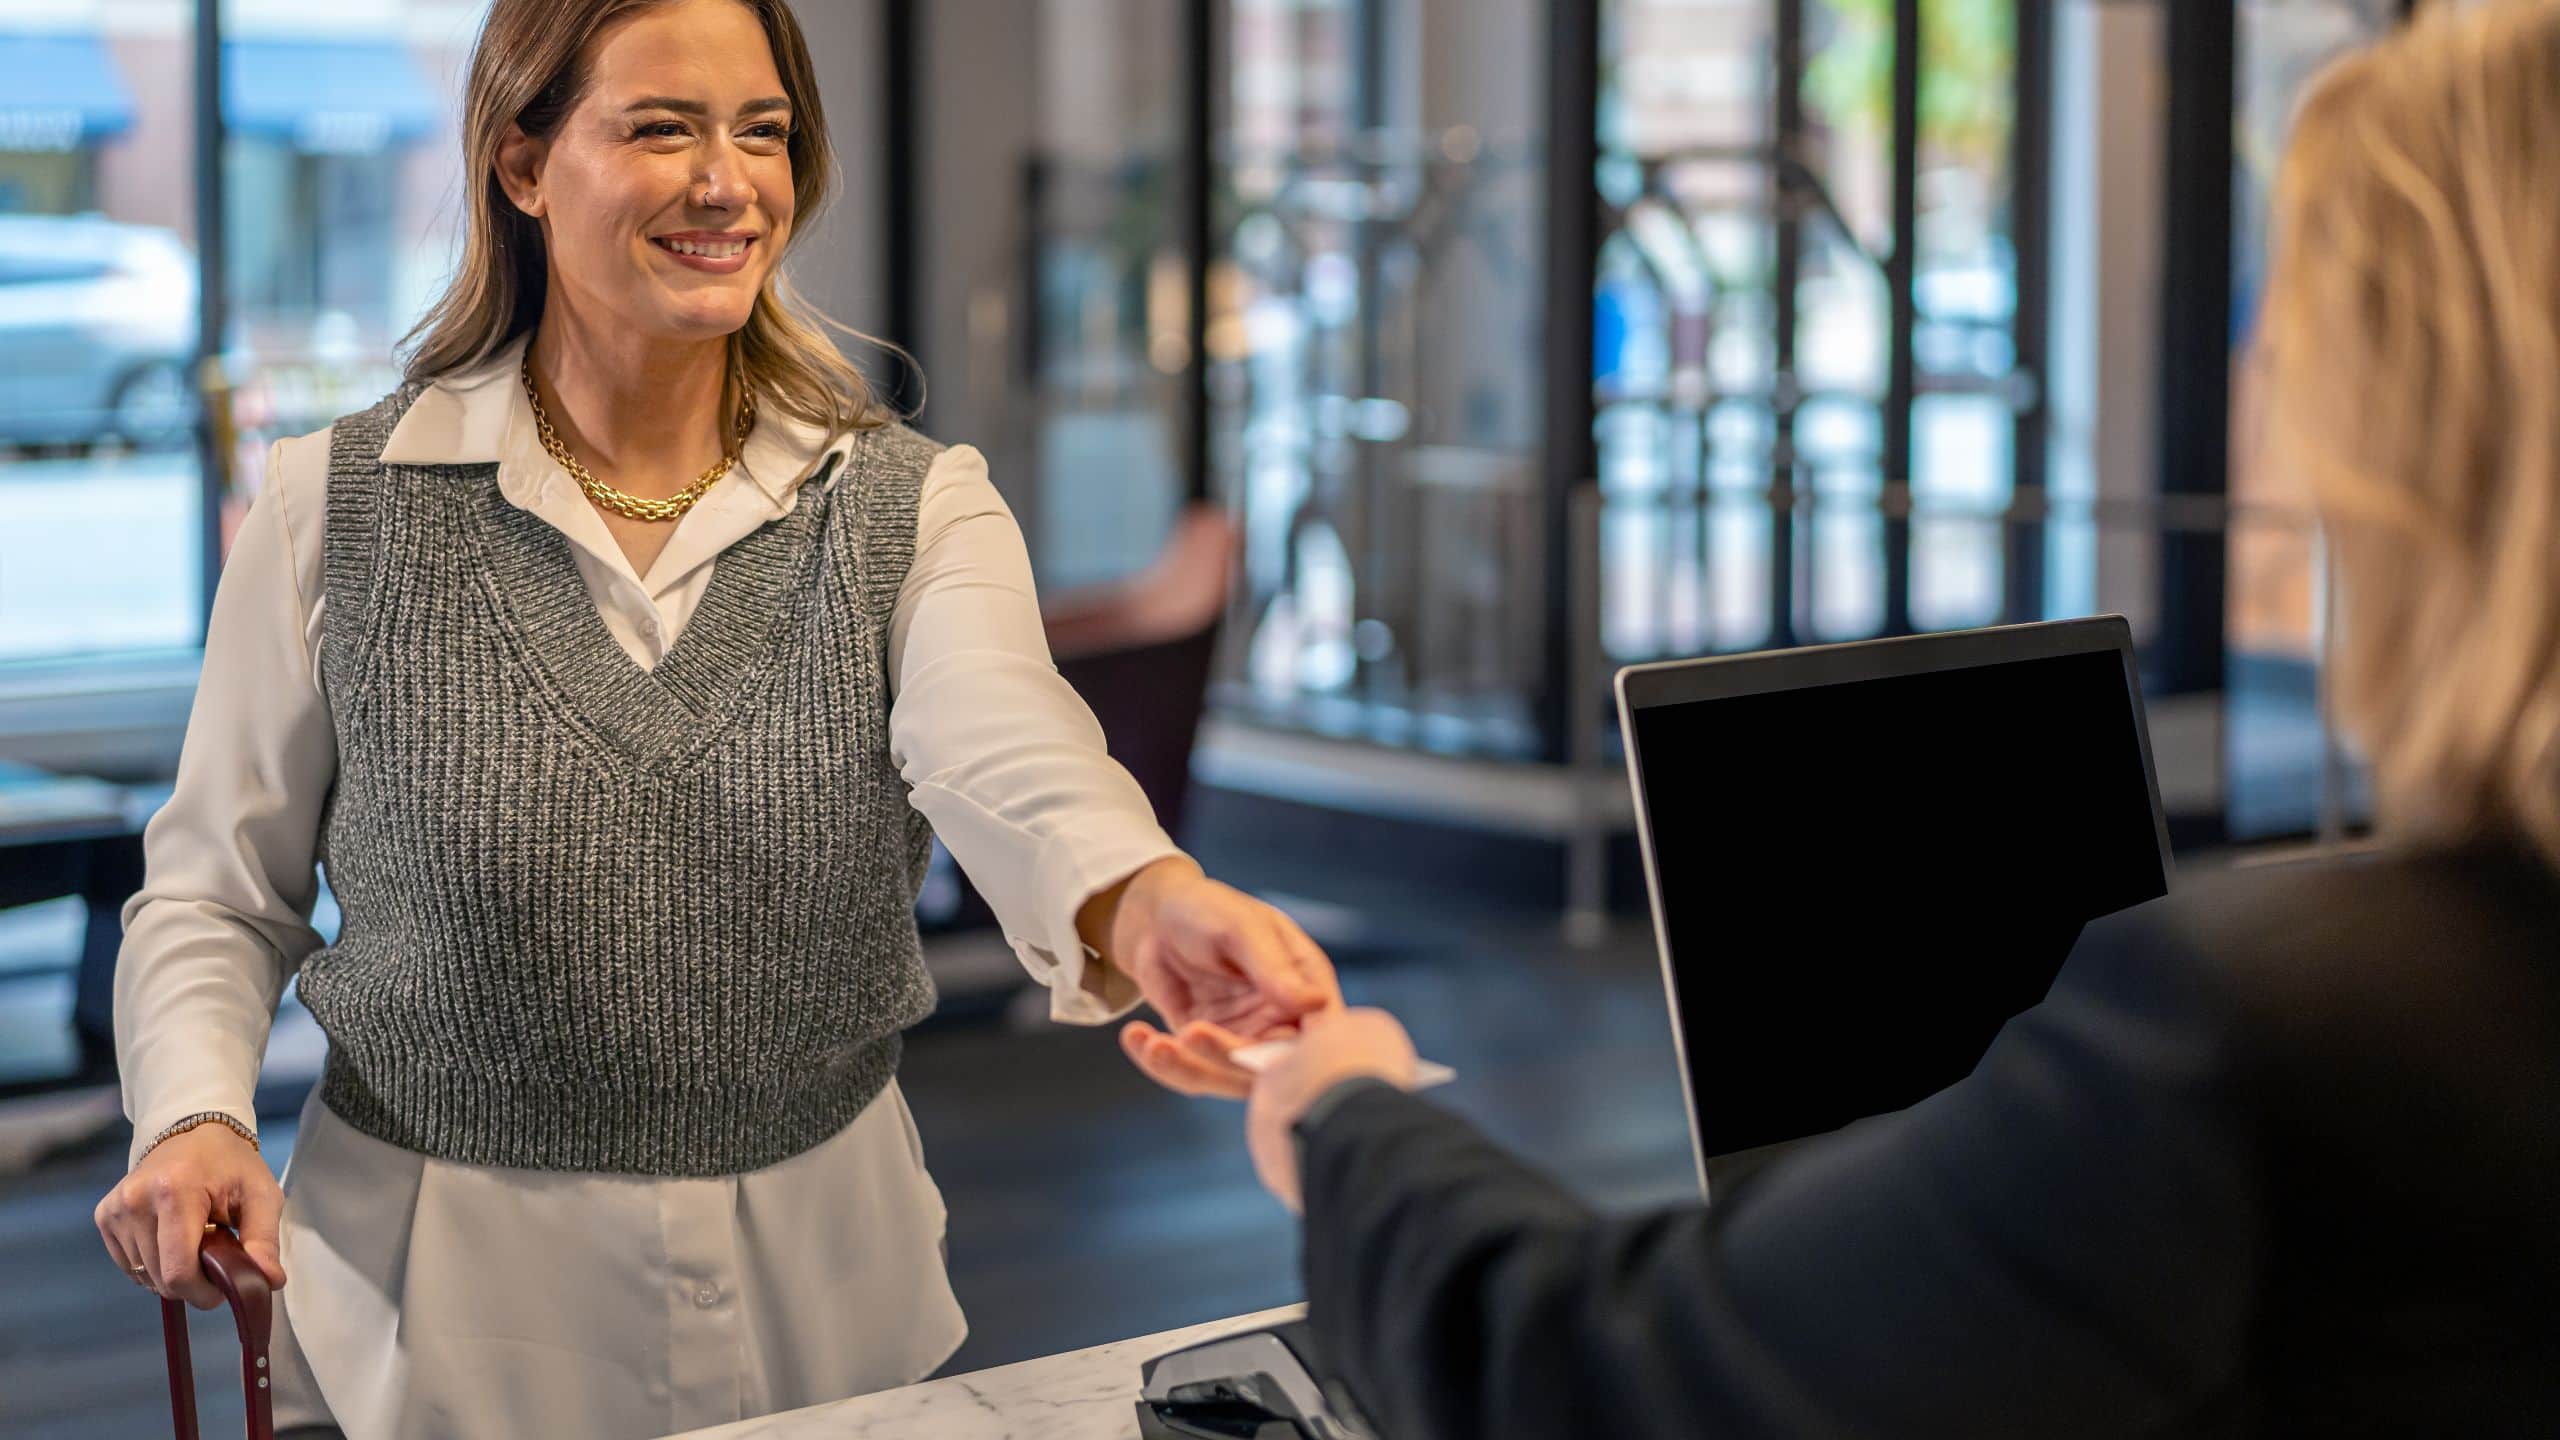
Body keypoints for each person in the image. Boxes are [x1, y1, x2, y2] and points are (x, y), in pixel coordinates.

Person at [1241, 6, 2560, 1436]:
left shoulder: (2265, 1032)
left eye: (2290, 342)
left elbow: (1596, 1378)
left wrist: (1344, 1113)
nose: (2264, 400)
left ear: (2423, 445)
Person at [93, 1, 1329, 1434]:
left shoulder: (911, 506)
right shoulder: (335, 507)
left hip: (829, 1308)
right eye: (661, 126)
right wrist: (193, 1114)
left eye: (764, 131)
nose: (727, 180)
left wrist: (1150, 899)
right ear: (522, 162)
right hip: (422, 1325)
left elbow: (1012, 750)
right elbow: (214, 890)